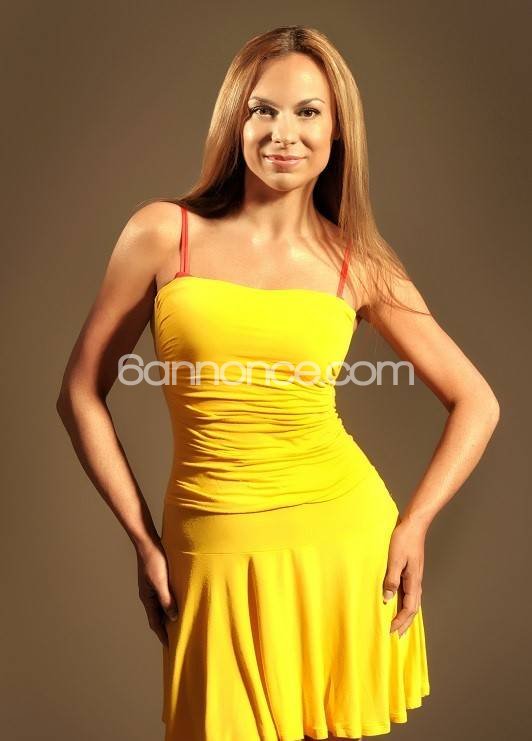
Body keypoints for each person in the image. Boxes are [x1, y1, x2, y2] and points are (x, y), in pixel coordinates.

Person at [56, 25, 500, 741]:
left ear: (337, 130)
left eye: (307, 112)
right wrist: (141, 536)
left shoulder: (358, 262)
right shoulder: (163, 233)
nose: (282, 134)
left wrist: (414, 523)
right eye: (262, 110)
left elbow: (477, 400)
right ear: (235, 120)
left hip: (342, 547)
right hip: (211, 546)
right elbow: (80, 391)